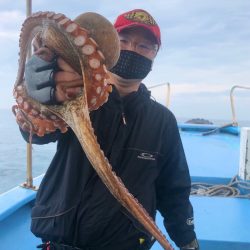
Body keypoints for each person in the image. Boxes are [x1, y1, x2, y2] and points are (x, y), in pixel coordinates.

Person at [19, 9, 199, 250]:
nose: (132, 50)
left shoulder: (162, 121)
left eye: (144, 46)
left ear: (154, 56)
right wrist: (40, 96)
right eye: (123, 41)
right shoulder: (77, 95)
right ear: (108, 45)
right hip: (60, 243)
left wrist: (186, 239)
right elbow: (39, 133)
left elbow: (173, 189)